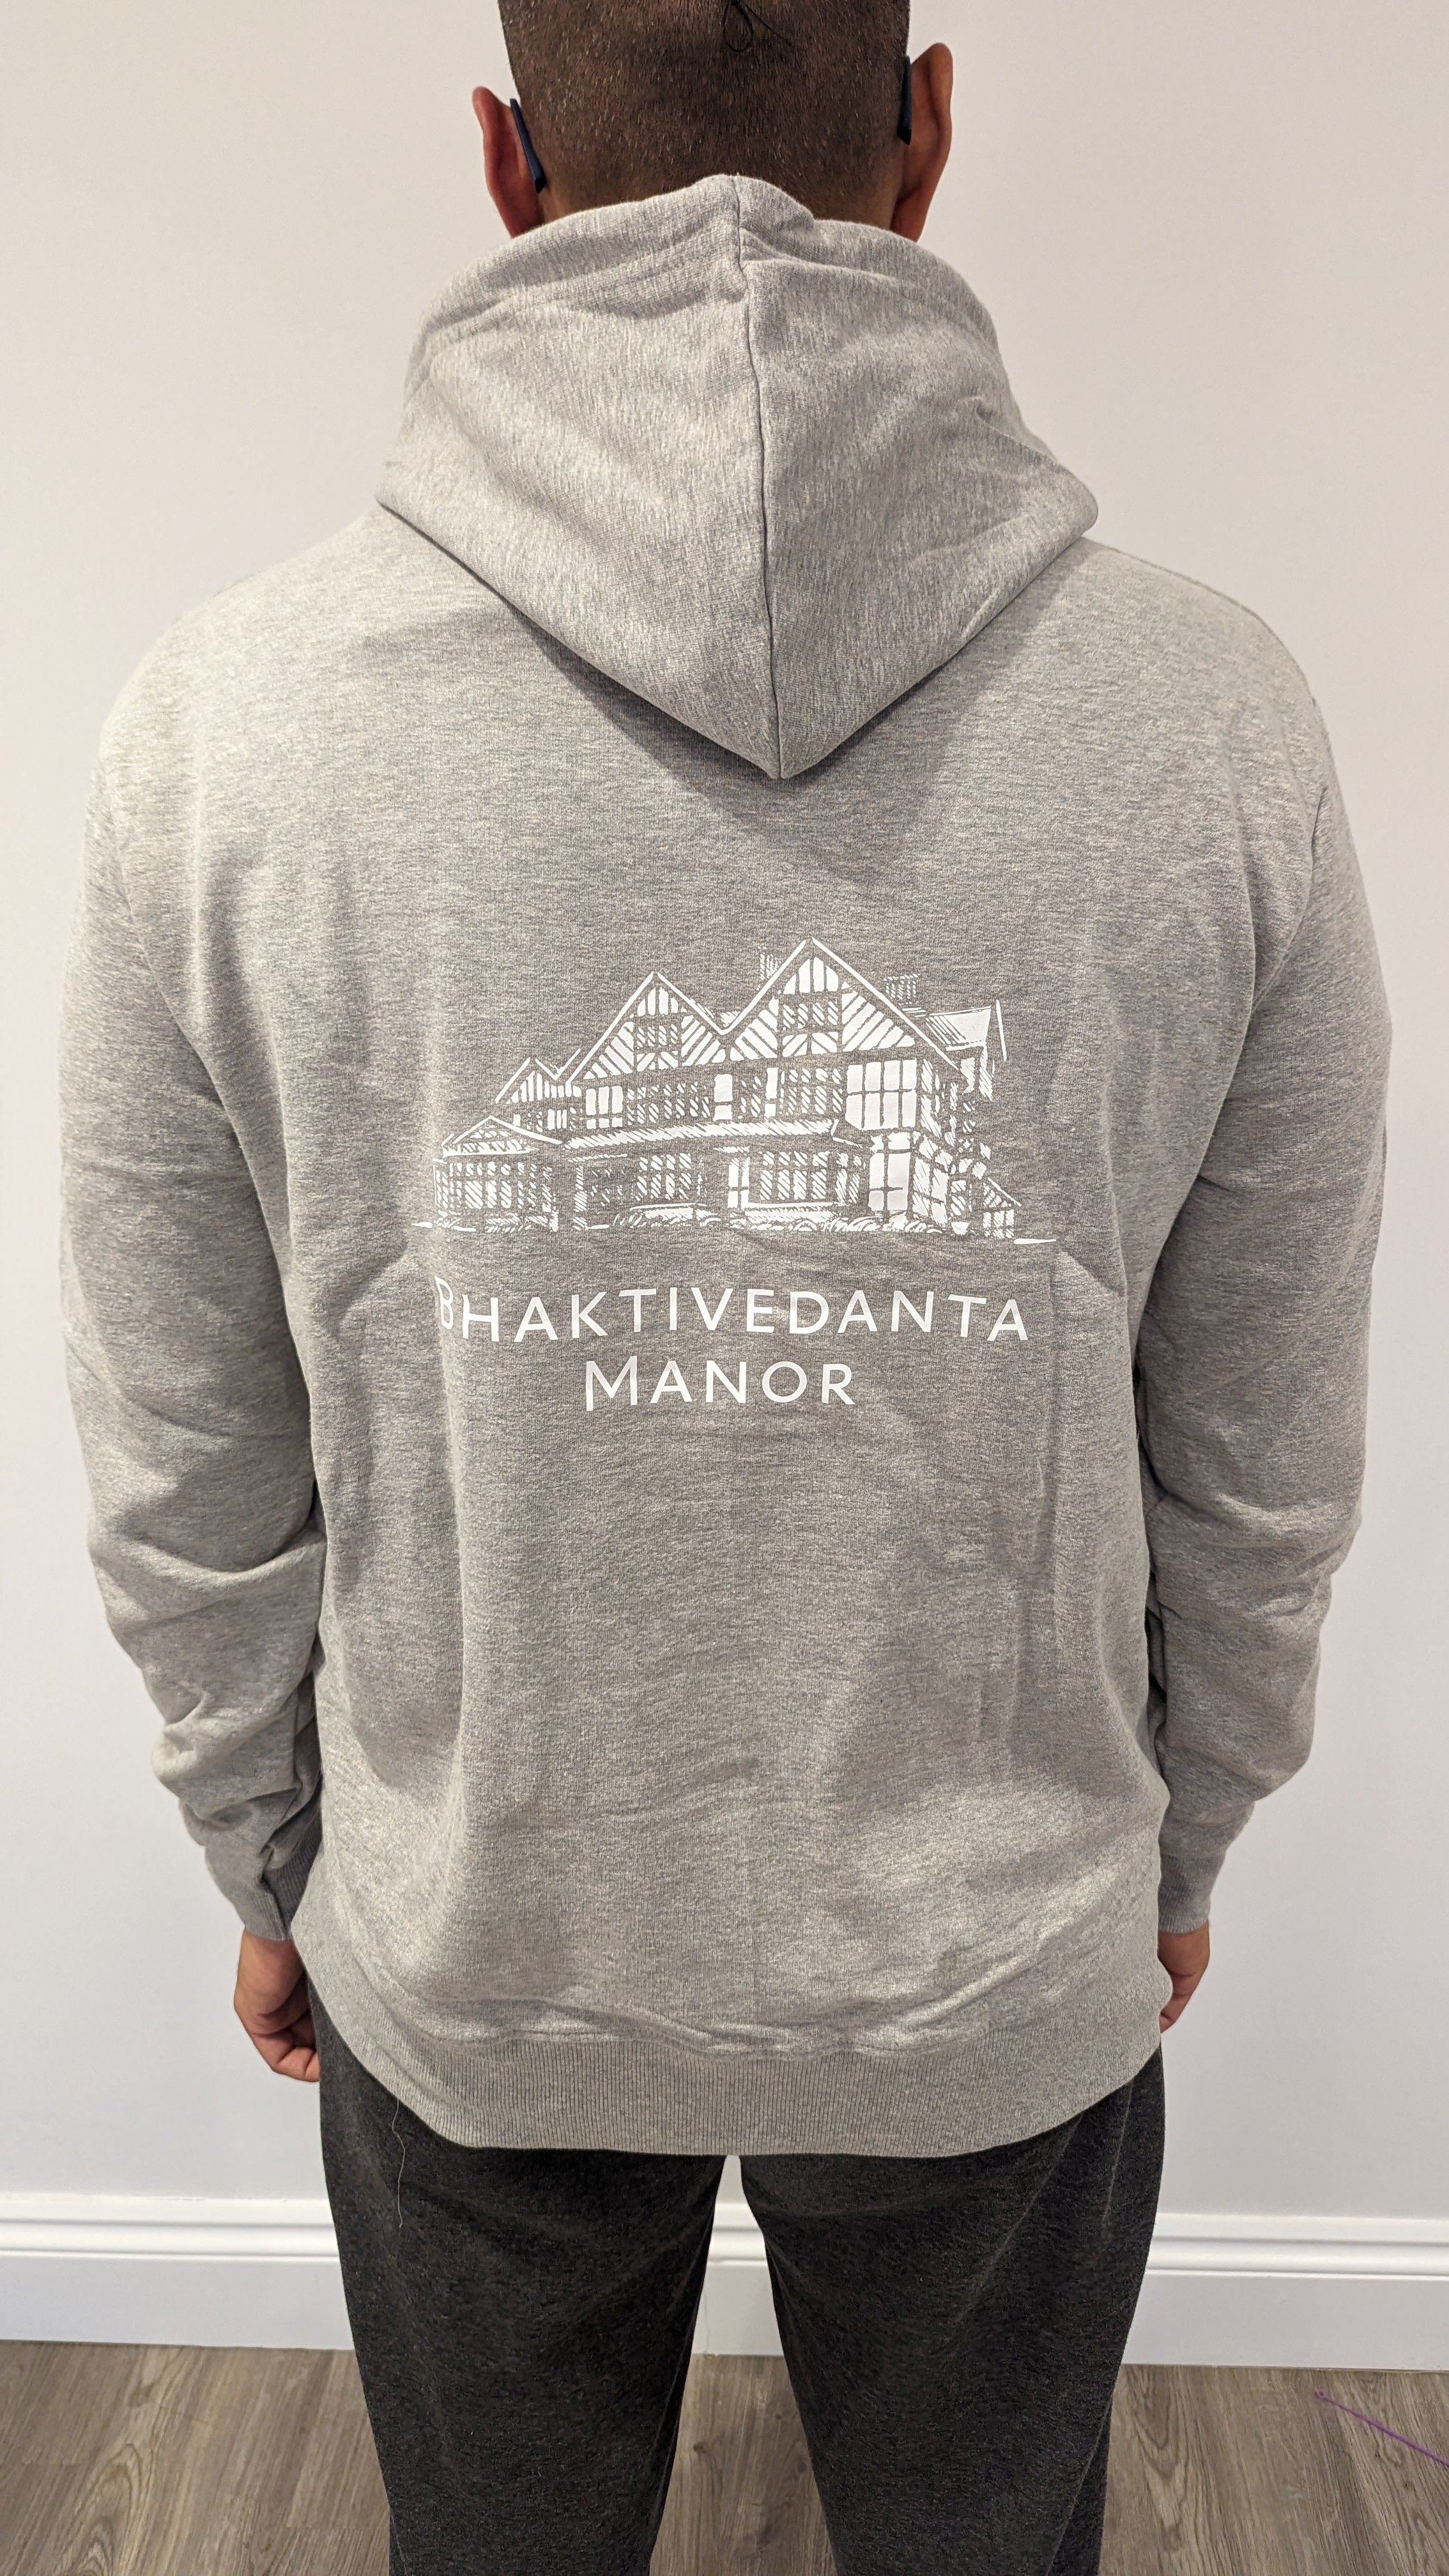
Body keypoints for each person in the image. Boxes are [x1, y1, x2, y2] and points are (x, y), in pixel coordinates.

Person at [58, 5, 1390, 2570]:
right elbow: (1261, 1446)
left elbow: (184, 1452)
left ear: (501, 157)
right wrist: (1178, 1837)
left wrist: (274, 1847)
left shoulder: (219, 734)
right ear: (929, 129)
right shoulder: (1216, 722)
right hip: (998, 1946)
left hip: (476, 1931)